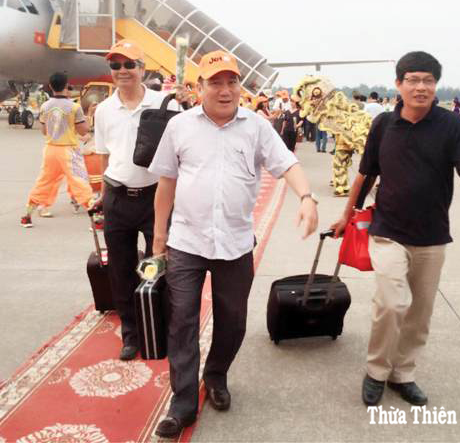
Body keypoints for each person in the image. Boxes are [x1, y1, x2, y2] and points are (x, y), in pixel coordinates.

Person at [148, 50, 318, 438]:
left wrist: (307, 198)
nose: (225, 90)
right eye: (215, 83)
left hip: (236, 243)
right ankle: (182, 403)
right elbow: (166, 182)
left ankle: (216, 375)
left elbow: (287, 164)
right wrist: (159, 239)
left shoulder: (257, 127)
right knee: (182, 321)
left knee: (233, 321)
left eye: (232, 82)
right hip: (186, 241)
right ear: (199, 87)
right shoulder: (179, 126)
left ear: (240, 86)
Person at [331, 51, 460, 408]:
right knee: (392, 303)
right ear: (398, 84)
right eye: (413, 80)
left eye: (428, 80)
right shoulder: (383, 125)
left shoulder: (452, 126)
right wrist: (347, 214)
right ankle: (377, 371)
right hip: (387, 231)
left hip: (432, 236)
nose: (421, 87)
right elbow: (365, 174)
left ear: (436, 85)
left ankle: (403, 373)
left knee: (420, 313)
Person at [93, 39, 167, 361]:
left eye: (129, 64)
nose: (122, 70)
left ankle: (157, 328)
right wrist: (102, 196)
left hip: (155, 198)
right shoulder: (104, 110)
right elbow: (103, 155)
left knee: (156, 267)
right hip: (118, 198)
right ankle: (131, 335)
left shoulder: (163, 103)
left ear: (142, 68)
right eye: (115, 65)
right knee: (120, 270)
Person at [20, 72, 94, 228]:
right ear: (66, 85)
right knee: (80, 182)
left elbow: (44, 131)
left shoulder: (45, 106)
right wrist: (89, 116)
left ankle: (27, 215)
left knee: (44, 182)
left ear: (50, 86)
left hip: (50, 149)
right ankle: (97, 218)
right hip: (69, 150)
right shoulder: (74, 107)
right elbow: (83, 131)